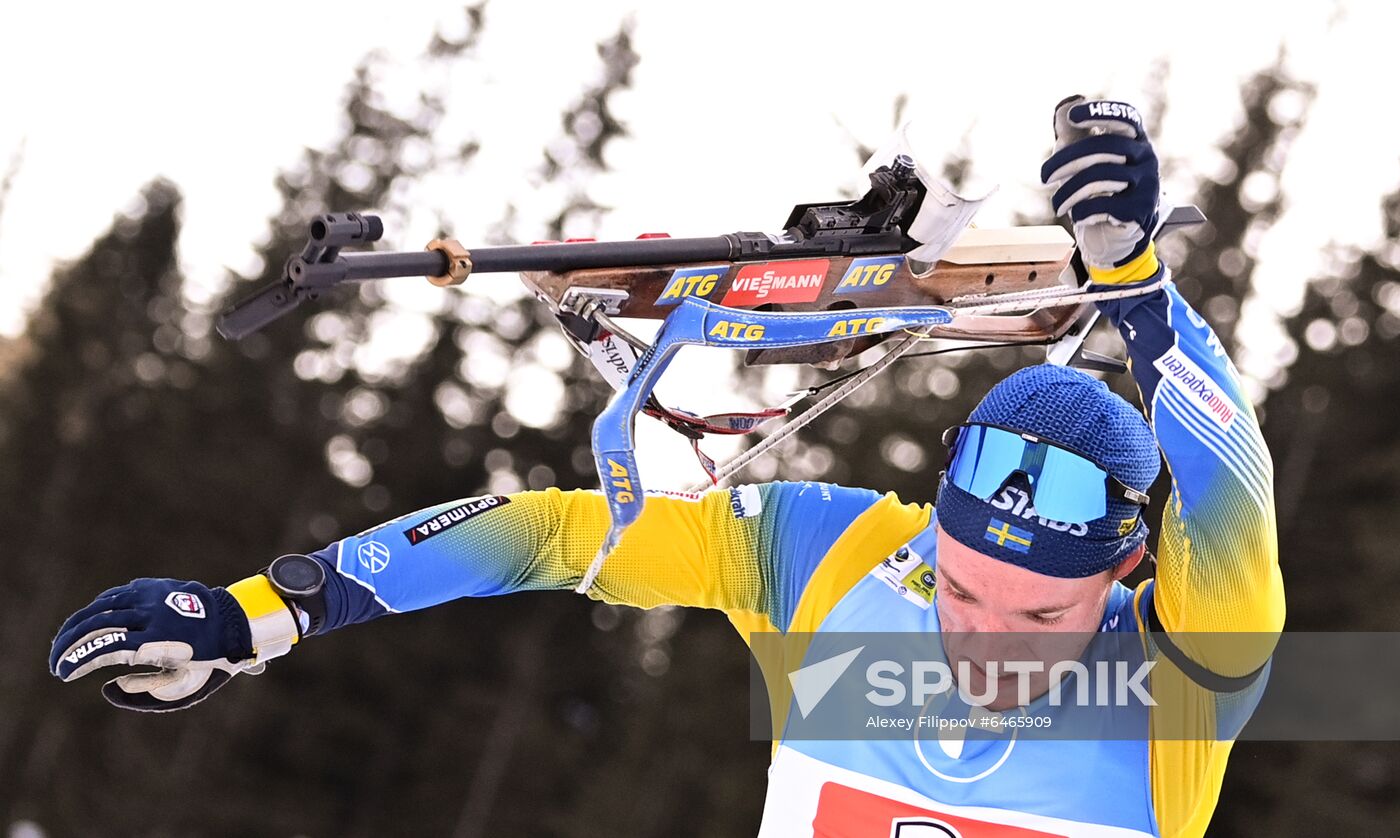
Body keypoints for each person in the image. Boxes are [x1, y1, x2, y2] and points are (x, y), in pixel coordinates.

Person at [50, 97, 1284, 837]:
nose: (986, 643)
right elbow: (540, 536)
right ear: (929, 535)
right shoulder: (842, 563)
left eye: (1040, 614)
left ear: (1128, 565)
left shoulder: (1178, 684)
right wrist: (261, 610)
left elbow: (1230, 493)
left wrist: (1136, 290)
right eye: (959, 587)